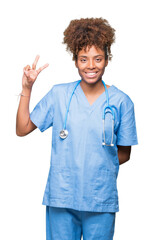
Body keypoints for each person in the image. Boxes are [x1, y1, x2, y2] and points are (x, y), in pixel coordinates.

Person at [16, 17, 138, 240]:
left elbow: (124, 154)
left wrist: (92, 163)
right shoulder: (59, 95)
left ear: (107, 60)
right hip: (62, 196)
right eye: (84, 59)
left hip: (100, 198)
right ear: (75, 60)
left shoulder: (122, 102)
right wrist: (27, 88)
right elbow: (22, 128)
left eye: (98, 58)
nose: (91, 65)